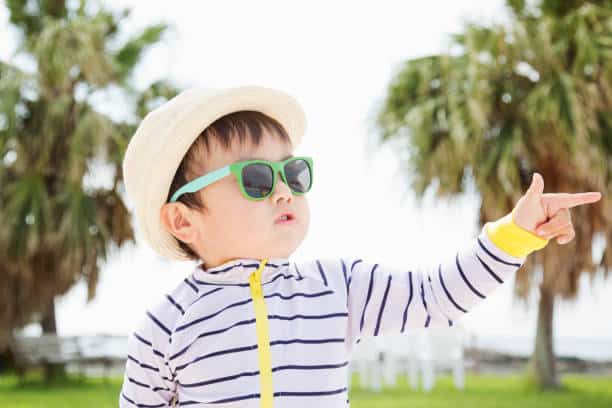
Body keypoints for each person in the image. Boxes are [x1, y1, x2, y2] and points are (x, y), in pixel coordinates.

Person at [118, 85, 602, 407]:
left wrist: (514, 232)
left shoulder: (338, 286)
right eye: (257, 178)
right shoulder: (164, 327)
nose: (285, 190)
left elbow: (437, 296)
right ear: (183, 219)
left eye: (293, 172)